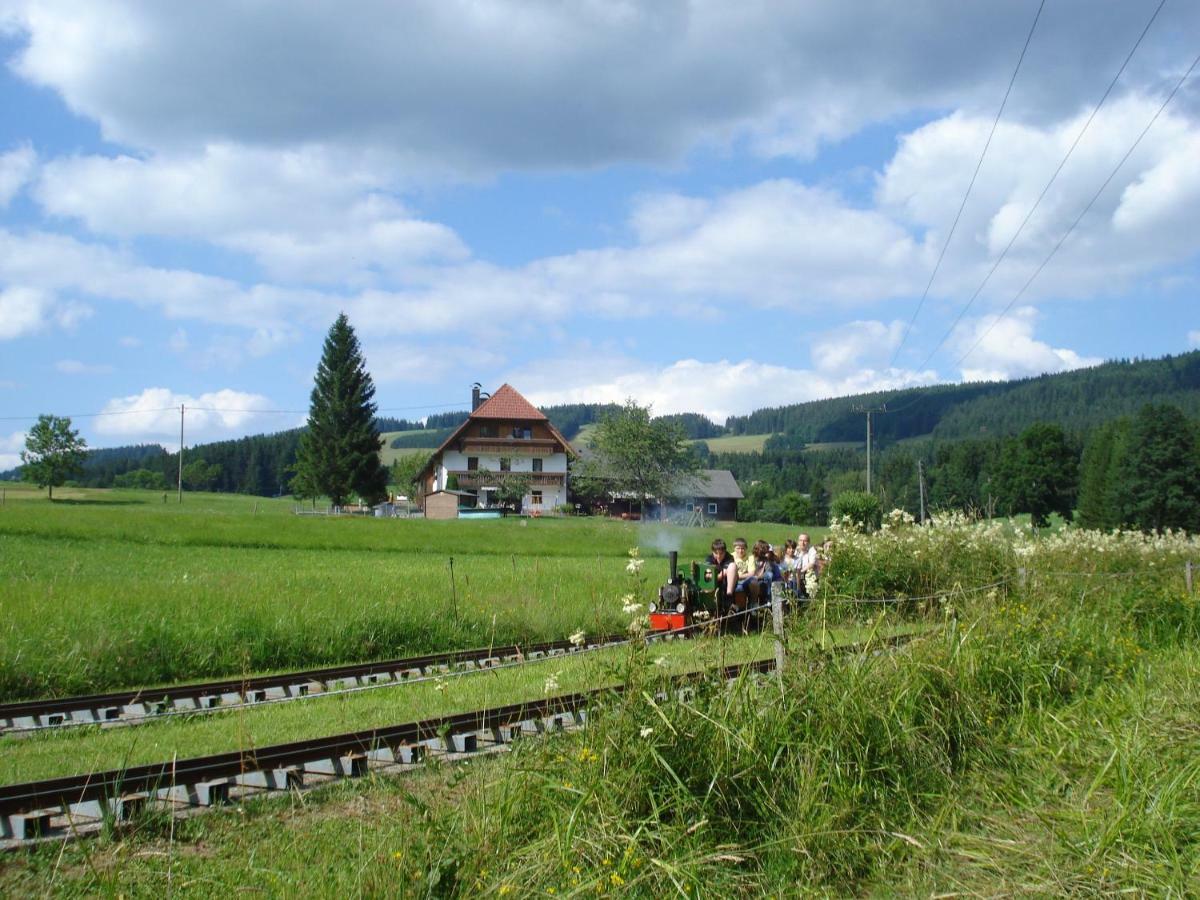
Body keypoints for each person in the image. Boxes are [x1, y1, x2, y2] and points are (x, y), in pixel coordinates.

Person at [704, 538, 738, 606]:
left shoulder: (729, 557)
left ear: (725, 551)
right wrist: (711, 576)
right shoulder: (709, 558)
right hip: (713, 583)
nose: (718, 556)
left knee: (733, 566)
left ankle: (729, 595)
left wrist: (713, 576)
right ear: (712, 552)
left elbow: (723, 574)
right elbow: (707, 573)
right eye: (716, 553)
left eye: (721, 553)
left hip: (726, 581)